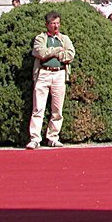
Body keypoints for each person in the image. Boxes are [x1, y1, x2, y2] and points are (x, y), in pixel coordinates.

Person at [27, 11, 75, 149]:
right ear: (47, 24)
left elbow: (70, 54)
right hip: (43, 74)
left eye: (58, 23)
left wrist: (56, 53)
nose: (56, 26)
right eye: (53, 23)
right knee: (38, 108)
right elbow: (40, 53)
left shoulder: (64, 39)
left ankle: (53, 137)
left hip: (59, 74)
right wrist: (57, 51)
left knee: (57, 109)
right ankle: (35, 138)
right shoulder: (40, 38)